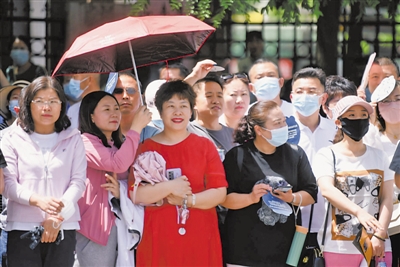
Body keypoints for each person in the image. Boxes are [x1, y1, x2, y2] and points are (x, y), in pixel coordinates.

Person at [132, 80, 227, 266]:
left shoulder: (205, 146)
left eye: (183, 106)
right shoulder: (146, 148)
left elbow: (219, 192)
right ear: (160, 111)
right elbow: (136, 194)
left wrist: (187, 201)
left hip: (199, 234)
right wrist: (169, 187)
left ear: (191, 111)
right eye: (170, 106)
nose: (178, 112)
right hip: (159, 236)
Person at [1, 76, 87, 267]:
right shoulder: (11, 139)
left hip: (63, 226)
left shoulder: (74, 139)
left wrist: (57, 216)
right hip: (22, 228)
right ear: (28, 105)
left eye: (52, 101)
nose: (46, 107)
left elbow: (78, 182)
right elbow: (8, 184)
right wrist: (37, 200)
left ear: (62, 105)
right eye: (39, 101)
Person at [221, 100, 317, 266]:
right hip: (244, 254)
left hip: (287, 253)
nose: (283, 126)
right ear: (259, 130)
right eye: (277, 123)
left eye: (284, 121)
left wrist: (292, 197)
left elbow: (311, 193)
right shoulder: (238, 156)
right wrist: (251, 197)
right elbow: (224, 199)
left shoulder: (295, 154)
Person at [313, 95, 394, 266]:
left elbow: (387, 198)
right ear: (338, 121)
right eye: (351, 115)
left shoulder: (380, 156)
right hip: (338, 247)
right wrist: (359, 212)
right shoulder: (327, 155)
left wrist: (380, 234)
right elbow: (327, 190)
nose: (358, 119)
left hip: (377, 244)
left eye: (363, 115)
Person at [76, 91, 151, 266]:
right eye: (106, 109)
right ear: (91, 117)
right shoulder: (84, 142)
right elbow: (117, 164)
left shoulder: (120, 143)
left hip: (122, 223)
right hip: (95, 228)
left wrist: (121, 190)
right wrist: (136, 128)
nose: (114, 113)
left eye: (116, 108)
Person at [365, 76, 400, 267]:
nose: (393, 105)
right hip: (383, 223)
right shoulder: (371, 138)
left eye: (398, 98)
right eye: (386, 101)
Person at [248, 59, 300, 144]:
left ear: (280, 82)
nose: (266, 80)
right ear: (251, 87)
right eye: (259, 77)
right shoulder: (246, 115)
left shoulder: (296, 112)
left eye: (271, 75)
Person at [188, 77, 236, 155]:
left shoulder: (233, 134)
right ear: (193, 103)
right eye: (209, 96)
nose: (216, 101)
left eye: (219, 96)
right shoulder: (186, 131)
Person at [112, 71, 160, 142]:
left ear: (141, 98)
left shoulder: (155, 135)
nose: (125, 96)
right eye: (118, 91)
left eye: (131, 91)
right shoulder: (101, 136)